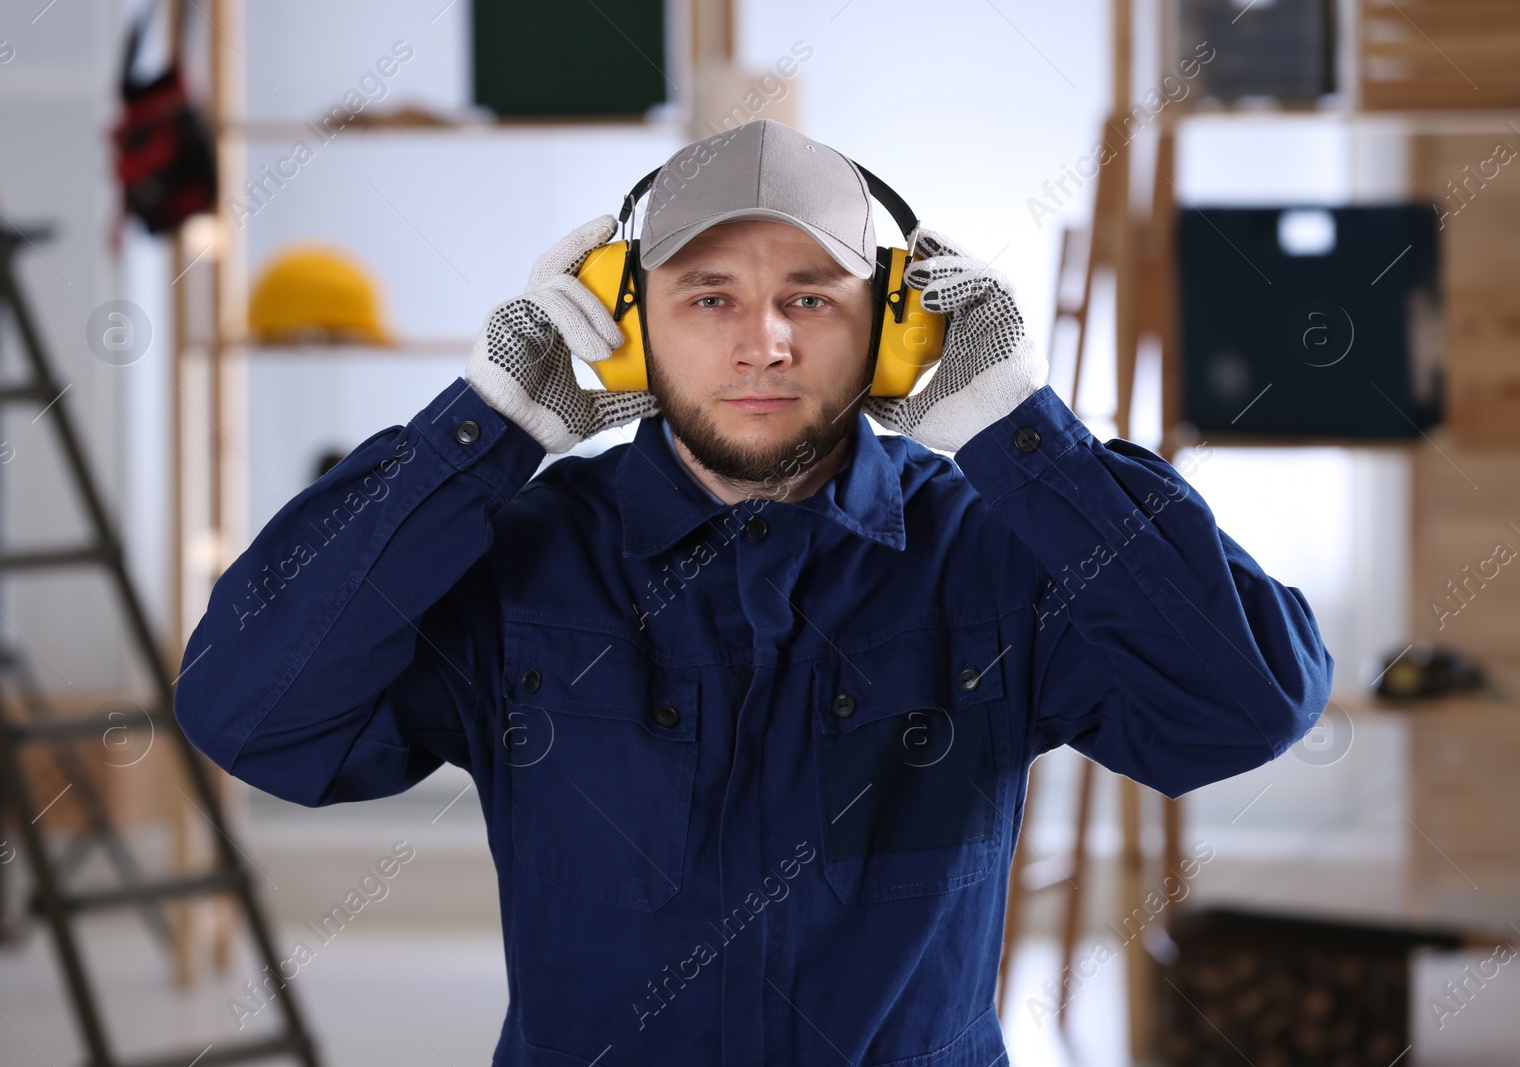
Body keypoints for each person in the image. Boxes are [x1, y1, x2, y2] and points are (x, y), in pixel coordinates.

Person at [176, 118, 1334, 1066]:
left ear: (890, 326)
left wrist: (1026, 436)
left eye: (813, 296)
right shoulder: (525, 559)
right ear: (627, 329)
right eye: (709, 295)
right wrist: (479, 431)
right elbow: (253, 713)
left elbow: (1244, 703)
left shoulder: (990, 548)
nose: (764, 342)